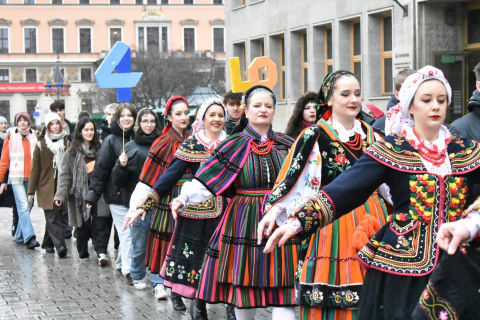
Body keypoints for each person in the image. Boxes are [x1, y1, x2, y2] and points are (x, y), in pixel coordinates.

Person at [263, 66, 480, 319]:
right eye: (427, 100)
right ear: (410, 106)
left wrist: (472, 222)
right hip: (402, 266)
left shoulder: (467, 151)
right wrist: (299, 220)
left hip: (458, 263)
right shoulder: (393, 148)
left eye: (441, 101)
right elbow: (348, 187)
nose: (436, 107)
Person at [259, 71, 389, 319]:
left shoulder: (372, 135)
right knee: (329, 295)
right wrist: (275, 210)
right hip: (331, 218)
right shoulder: (315, 135)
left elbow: (388, 185)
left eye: (358, 94)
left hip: (372, 220)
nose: (353, 100)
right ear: (329, 99)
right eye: (345, 94)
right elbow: (295, 181)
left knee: (372, 295)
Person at [171, 85, 297, 320]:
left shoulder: (288, 144)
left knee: (284, 288)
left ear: (274, 111)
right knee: (245, 290)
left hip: (281, 221)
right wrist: (184, 198)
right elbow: (209, 177)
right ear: (245, 110)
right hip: (244, 219)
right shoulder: (233, 144)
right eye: (257, 106)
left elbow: (304, 181)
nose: (263, 110)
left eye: (268, 106)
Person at [127, 98, 229, 320]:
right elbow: (168, 176)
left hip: (227, 214)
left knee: (225, 260)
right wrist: (145, 204)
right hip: (192, 211)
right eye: (212, 115)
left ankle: (230, 308)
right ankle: (196, 303)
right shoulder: (192, 145)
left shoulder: (232, 144)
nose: (217, 119)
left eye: (220, 115)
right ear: (202, 119)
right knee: (193, 259)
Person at [85, 104, 137, 281]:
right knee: (127, 234)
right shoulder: (111, 140)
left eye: (130, 115)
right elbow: (101, 171)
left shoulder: (137, 138)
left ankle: (122, 263)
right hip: (115, 196)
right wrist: (92, 195)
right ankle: (129, 271)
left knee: (129, 234)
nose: (126, 119)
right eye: (123, 116)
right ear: (117, 118)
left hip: (135, 195)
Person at [110, 109, 161, 288]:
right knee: (138, 243)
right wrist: (122, 166)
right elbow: (117, 181)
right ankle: (137, 275)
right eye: (145, 121)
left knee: (158, 243)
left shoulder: (161, 144)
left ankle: (159, 280)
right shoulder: (130, 146)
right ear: (139, 123)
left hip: (160, 200)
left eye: (152, 121)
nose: (149, 124)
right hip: (137, 201)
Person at [54, 117, 110, 263]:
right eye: (86, 130)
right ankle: (83, 252)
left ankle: (101, 253)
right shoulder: (72, 152)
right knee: (83, 226)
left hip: (99, 193)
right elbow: (65, 176)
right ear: (80, 132)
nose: (90, 132)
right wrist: (60, 196)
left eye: (92, 129)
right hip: (80, 195)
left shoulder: (102, 148)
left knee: (100, 223)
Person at [28, 113, 68, 257]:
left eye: (57, 123)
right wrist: (31, 191)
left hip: (61, 185)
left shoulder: (66, 142)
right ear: (48, 126)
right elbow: (35, 169)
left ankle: (48, 243)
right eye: (52, 124)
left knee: (55, 215)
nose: (55, 126)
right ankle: (61, 247)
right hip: (45, 187)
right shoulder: (41, 145)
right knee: (52, 216)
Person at [0, 113, 39, 249]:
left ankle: (18, 235)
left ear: (29, 122)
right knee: (22, 206)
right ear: (17, 123)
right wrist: (2, 180)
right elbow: (4, 160)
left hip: (32, 177)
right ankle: (30, 237)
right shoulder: (10, 137)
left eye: (25, 120)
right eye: (20, 120)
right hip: (16, 177)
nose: (22, 123)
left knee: (28, 206)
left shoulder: (35, 136)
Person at [0, 116, 17, 237]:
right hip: (1, 173)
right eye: (1, 123)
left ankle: (15, 227)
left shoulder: (11, 137)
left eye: (5, 123)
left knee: (15, 203)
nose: (3, 125)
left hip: (9, 175)